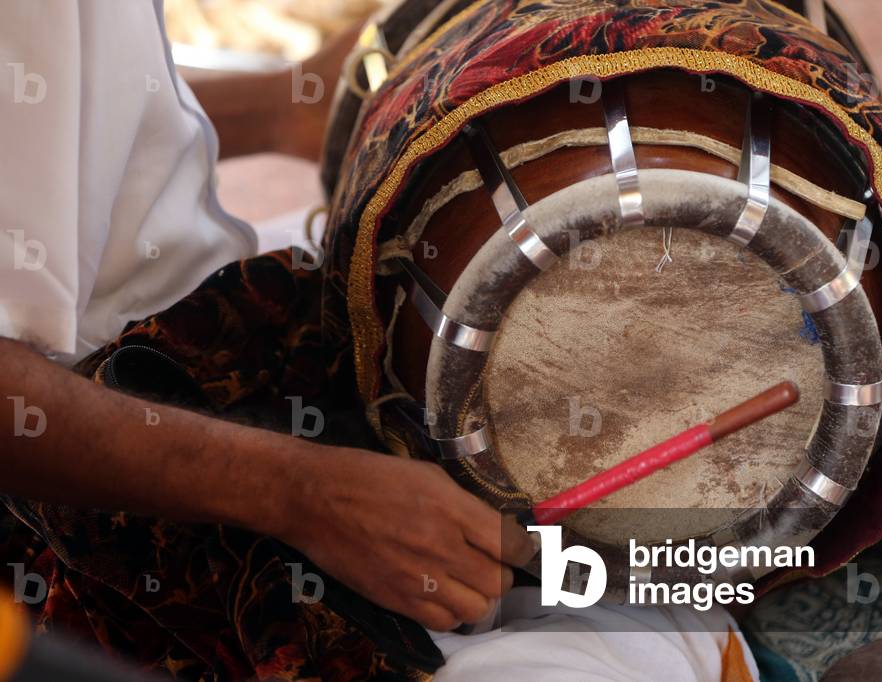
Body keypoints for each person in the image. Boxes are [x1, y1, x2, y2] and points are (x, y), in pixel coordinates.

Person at [0, 0, 534, 637]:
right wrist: (307, 497)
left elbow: (54, 100)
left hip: (211, 328)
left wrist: (286, 108)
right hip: (94, 507)